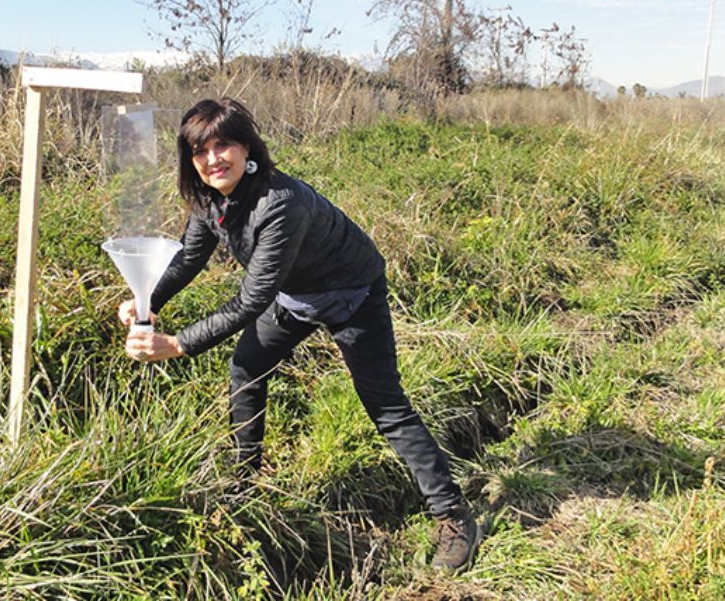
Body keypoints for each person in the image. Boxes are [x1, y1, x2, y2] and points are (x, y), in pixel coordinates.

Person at [117, 98, 481, 571]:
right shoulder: (210, 198)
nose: (212, 159)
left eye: (222, 145)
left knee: (385, 406)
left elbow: (249, 301)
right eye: (199, 151)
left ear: (247, 148)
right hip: (294, 296)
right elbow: (188, 257)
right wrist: (147, 299)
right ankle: (243, 483)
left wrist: (177, 344)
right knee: (246, 368)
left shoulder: (279, 205)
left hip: (352, 292)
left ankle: (453, 516)